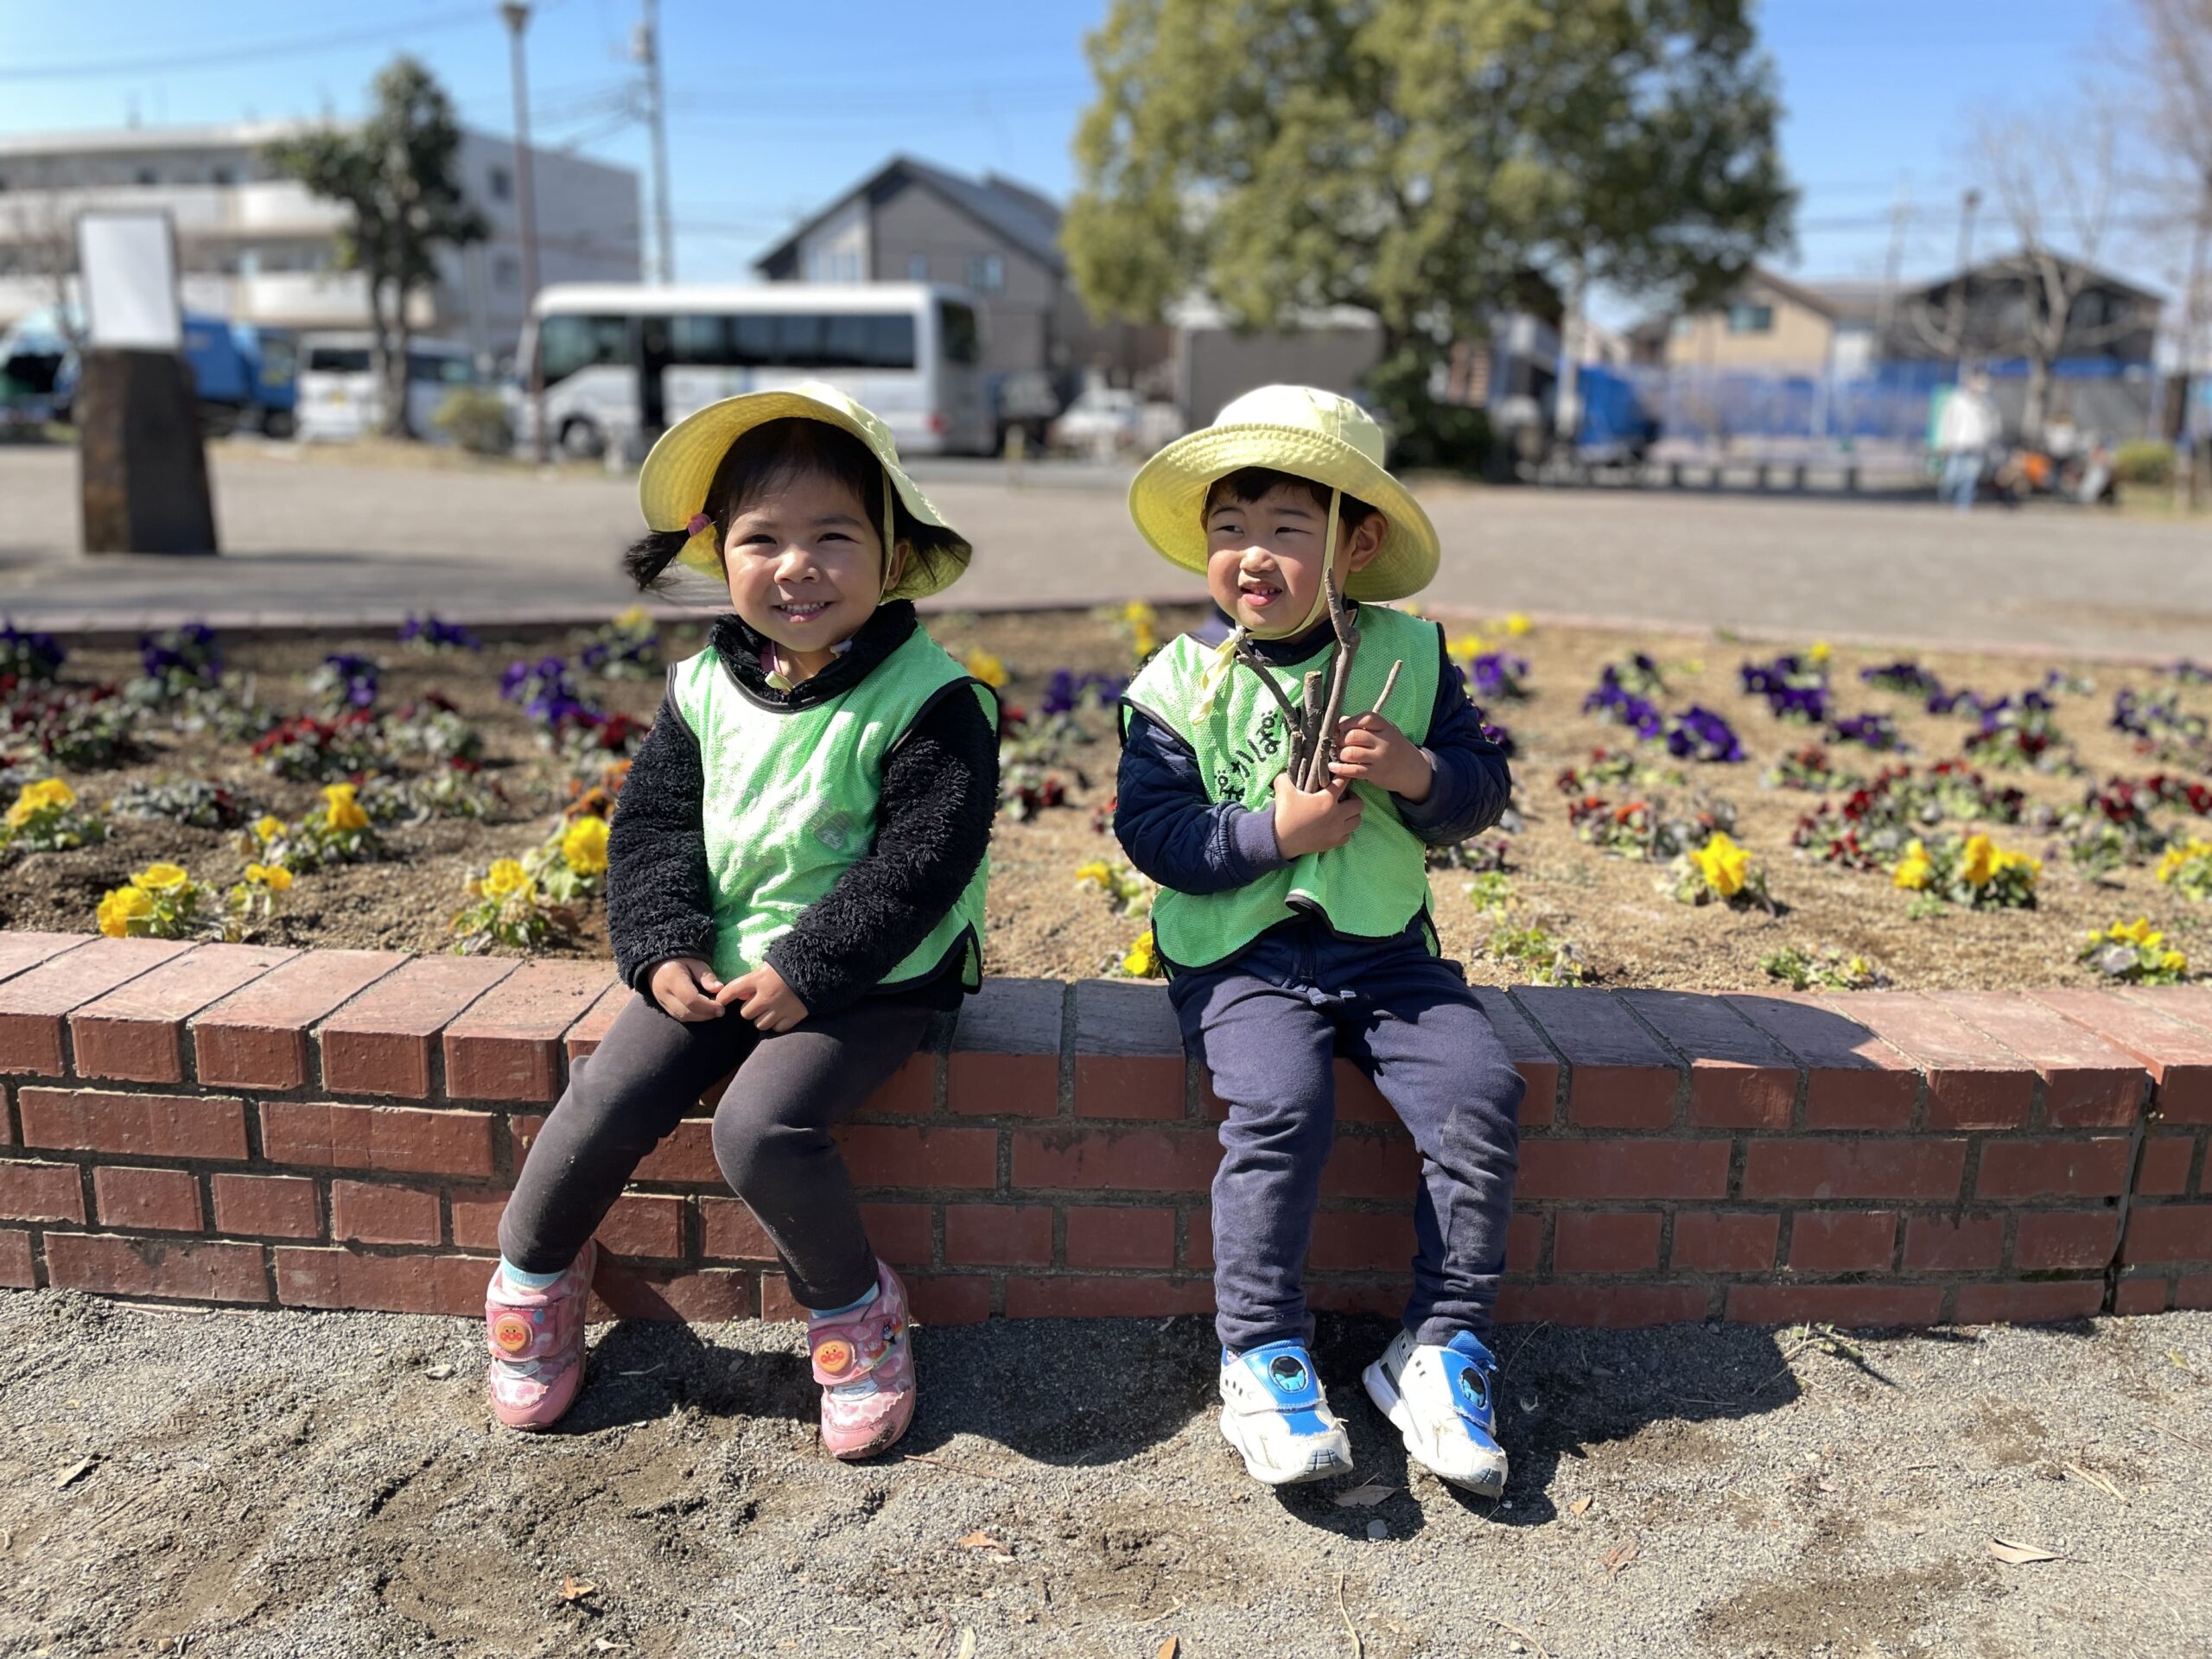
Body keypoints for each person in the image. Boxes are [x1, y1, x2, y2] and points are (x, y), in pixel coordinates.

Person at [484, 383, 998, 1458]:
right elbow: (654, 828)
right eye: (763, 539)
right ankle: (534, 1275)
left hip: (871, 977)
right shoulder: (704, 688)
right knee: (605, 1094)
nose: (796, 566)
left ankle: (856, 1307)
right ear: (719, 555)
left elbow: (921, 864)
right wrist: (662, 944)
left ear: (896, 555)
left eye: (834, 537)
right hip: (718, 959)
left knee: (759, 1128)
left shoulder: (933, 700)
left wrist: (812, 968)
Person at [1115, 385, 1522, 1494]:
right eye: (1229, 529)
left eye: (1288, 529)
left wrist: (1417, 773)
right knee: (1281, 1107)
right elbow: (1153, 832)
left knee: (1478, 1092)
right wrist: (1270, 834)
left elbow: (1481, 788)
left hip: (1385, 951)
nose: (1253, 555)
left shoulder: (1410, 658)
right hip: (1238, 957)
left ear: (1358, 545)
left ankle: (1439, 1342)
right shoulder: (1177, 685)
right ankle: (1260, 1350)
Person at [1936, 371, 1999, 511]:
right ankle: (1947, 499)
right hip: (1957, 444)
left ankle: (1963, 505)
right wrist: (1944, 441)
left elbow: (1993, 425)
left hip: (1977, 445)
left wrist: (1990, 442)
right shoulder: (1956, 400)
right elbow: (1946, 421)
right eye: (1979, 382)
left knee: (1969, 478)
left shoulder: (1987, 404)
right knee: (1952, 477)